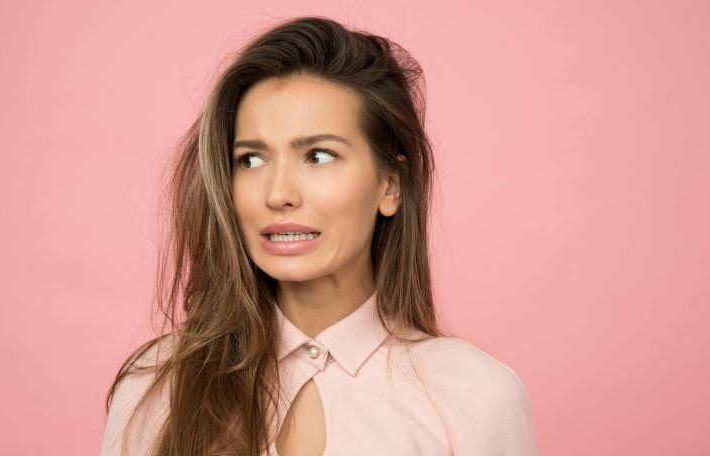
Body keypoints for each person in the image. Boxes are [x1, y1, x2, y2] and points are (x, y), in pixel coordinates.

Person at [99, 15, 537, 456]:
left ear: (390, 185)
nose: (278, 194)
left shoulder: (474, 397)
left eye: (318, 155)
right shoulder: (155, 388)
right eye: (251, 160)